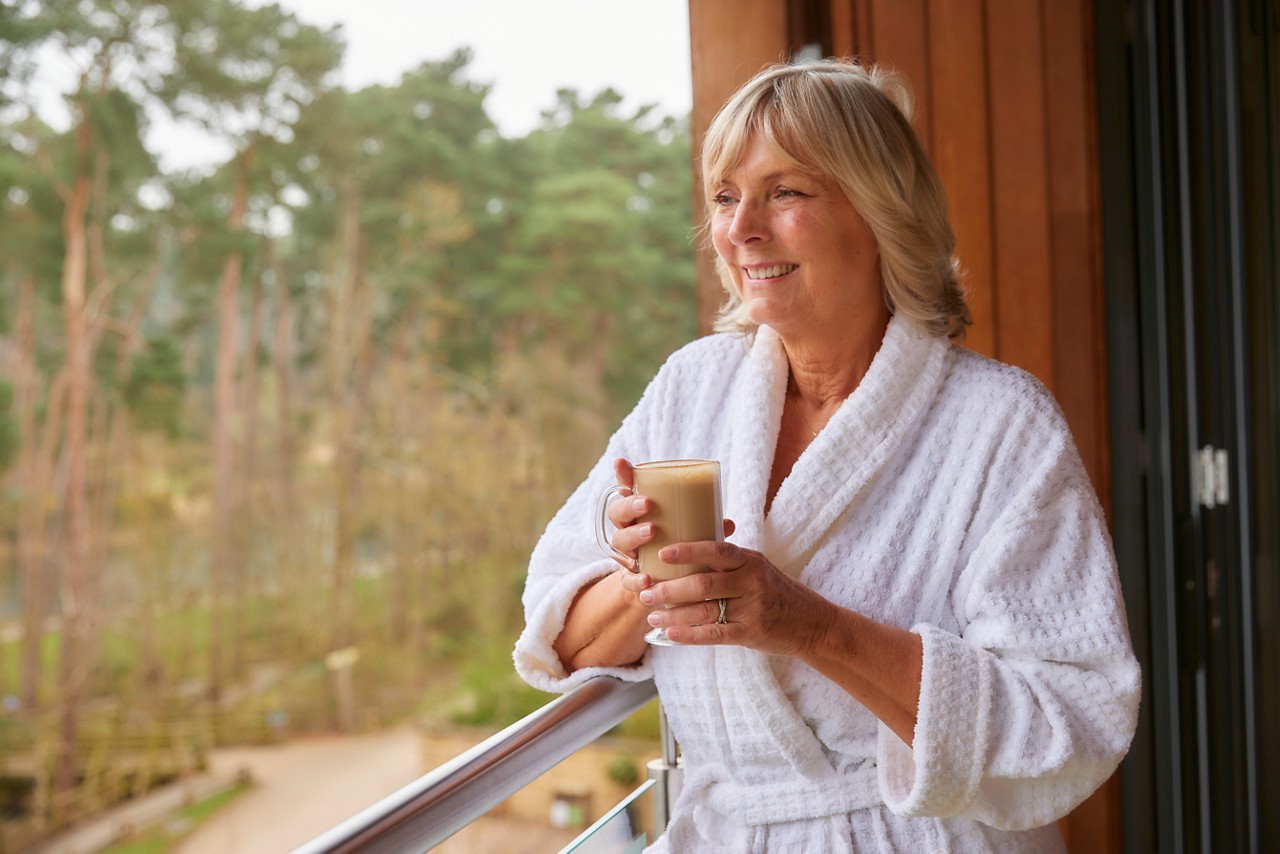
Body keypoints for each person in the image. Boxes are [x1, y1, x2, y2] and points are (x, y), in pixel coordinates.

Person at [514, 59, 1140, 853]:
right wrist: (649, 572)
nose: (742, 229)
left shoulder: (999, 424)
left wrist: (808, 625)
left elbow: (1071, 716)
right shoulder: (692, 389)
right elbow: (560, 636)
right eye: (724, 196)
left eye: (785, 193)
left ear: (880, 210)